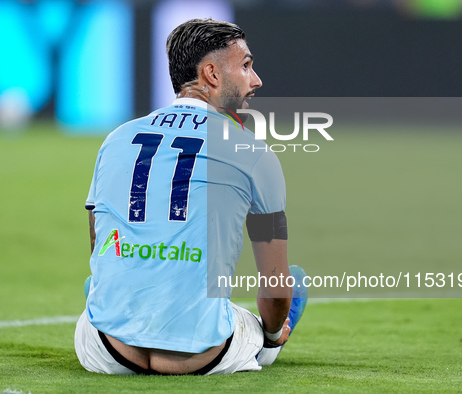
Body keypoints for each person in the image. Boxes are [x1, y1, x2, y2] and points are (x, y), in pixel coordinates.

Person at [74, 18, 308, 375]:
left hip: (106, 352)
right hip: (201, 356)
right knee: (281, 301)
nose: (256, 79)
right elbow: (274, 284)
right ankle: (270, 342)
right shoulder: (253, 152)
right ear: (211, 74)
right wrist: (274, 333)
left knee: (101, 283)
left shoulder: (117, 138)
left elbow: (98, 242)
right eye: (246, 66)